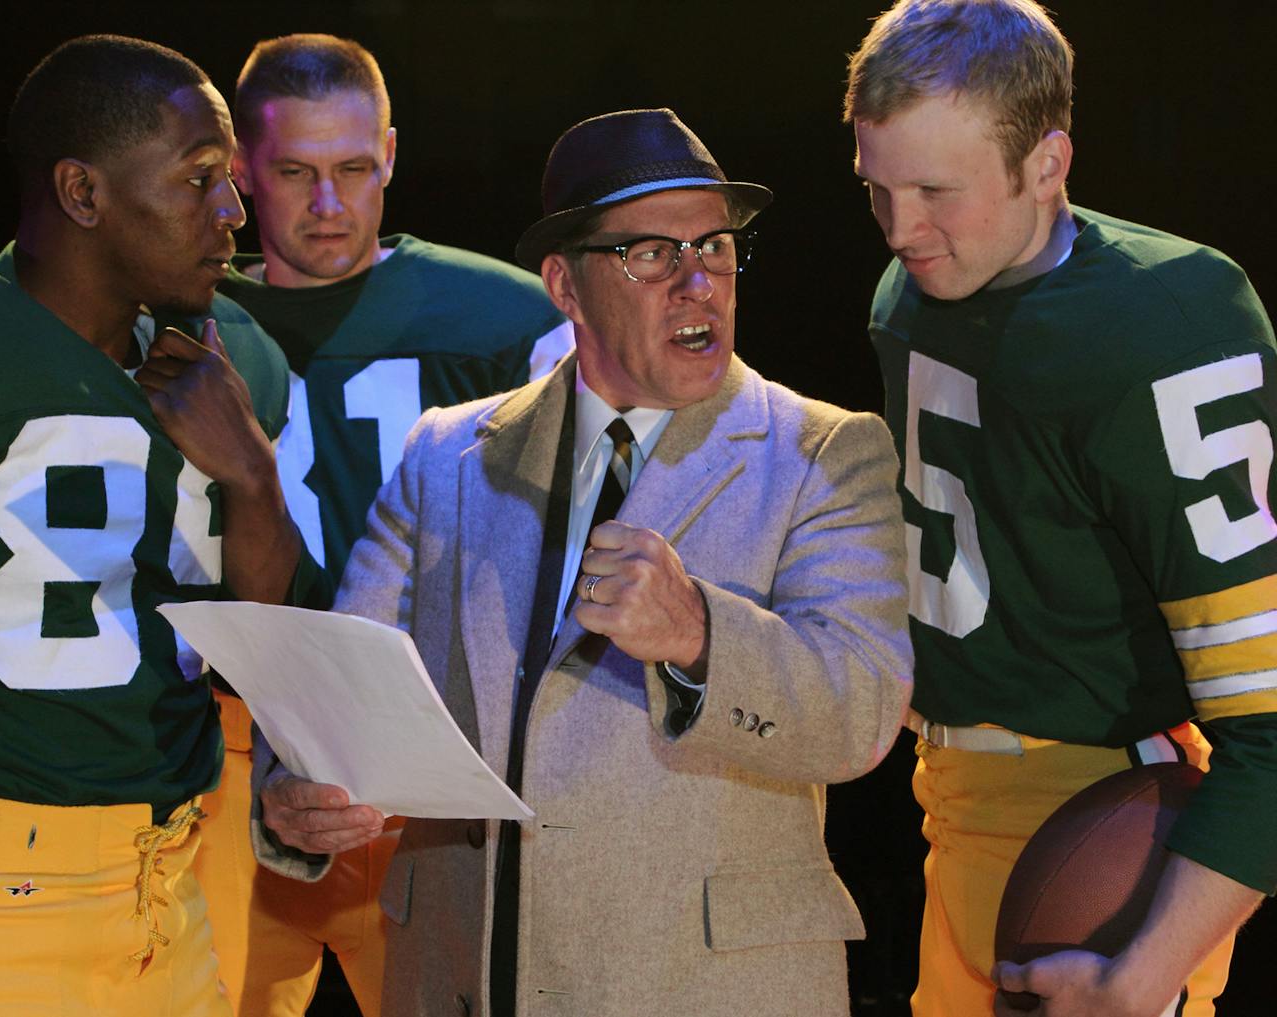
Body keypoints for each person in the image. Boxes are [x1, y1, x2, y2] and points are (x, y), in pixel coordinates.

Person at [251, 107, 913, 1017]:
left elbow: (861, 711)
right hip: (461, 978)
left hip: (708, 990)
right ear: (564, 284)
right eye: (652, 253)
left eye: (716, 248)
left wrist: (698, 632)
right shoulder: (444, 454)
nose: (698, 283)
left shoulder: (821, 453)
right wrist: (293, 798)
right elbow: (343, 690)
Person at [0, 35, 313, 1016]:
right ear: (82, 192)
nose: (235, 213)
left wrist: (252, 475)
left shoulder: (235, 365)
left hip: (174, 887)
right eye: (198, 181)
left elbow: (265, 659)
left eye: (230, 181)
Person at [844, 2, 1277, 1015]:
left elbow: (1268, 722)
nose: (902, 229)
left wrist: (1140, 973)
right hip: (946, 805)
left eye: (934, 192)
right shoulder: (912, 289)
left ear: (1045, 166)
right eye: (876, 190)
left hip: (1088, 814)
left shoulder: (1166, 329)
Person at [193, 33, 572, 1017]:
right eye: (294, 172)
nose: (328, 204)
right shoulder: (187, 314)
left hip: (437, 752)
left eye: (354, 169)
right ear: (238, 167)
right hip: (231, 760)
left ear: (392, 155)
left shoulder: (505, 316)